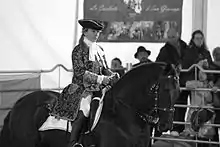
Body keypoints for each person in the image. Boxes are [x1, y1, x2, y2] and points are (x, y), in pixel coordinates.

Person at [50, 19, 118, 147]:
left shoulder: (99, 49)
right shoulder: (78, 50)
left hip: (100, 87)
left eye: (98, 32)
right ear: (85, 32)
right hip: (82, 88)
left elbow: (104, 68)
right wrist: (101, 79)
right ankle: (73, 142)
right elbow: (80, 73)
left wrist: (111, 74)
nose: (97, 34)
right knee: (85, 110)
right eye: (94, 31)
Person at [156, 27, 188, 137]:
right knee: (172, 106)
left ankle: (180, 129)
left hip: (184, 81)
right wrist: (172, 67)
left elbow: (189, 60)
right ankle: (171, 129)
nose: (171, 39)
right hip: (171, 84)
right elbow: (159, 64)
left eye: (173, 37)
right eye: (169, 37)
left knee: (183, 106)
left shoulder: (185, 47)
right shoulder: (164, 50)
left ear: (178, 35)